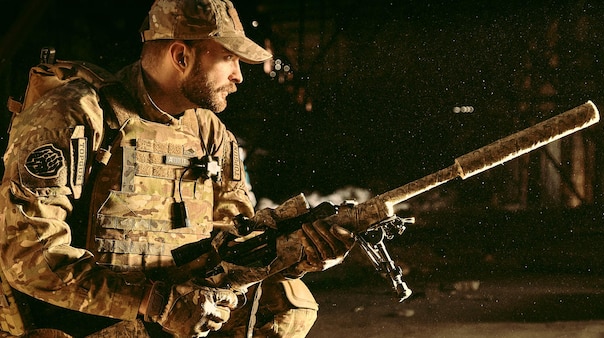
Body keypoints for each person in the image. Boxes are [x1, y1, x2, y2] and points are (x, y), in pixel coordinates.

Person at [0, 0, 355, 337]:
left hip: (173, 307)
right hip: (83, 318)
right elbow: (28, 256)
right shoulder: (76, 115)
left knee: (286, 300)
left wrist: (295, 254)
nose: (238, 77)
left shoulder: (208, 131)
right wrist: (154, 302)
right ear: (181, 56)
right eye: (229, 58)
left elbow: (232, 242)